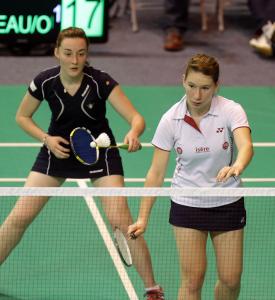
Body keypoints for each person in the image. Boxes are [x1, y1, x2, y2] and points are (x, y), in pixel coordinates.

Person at [0, 27, 164, 300]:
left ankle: (152, 289)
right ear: (56, 53)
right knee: (18, 217)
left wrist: (134, 132)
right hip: (58, 152)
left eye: (80, 53)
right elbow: (22, 117)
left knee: (122, 222)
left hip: (99, 154)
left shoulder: (100, 81)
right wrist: (46, 139)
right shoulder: (45, 81)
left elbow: (137, 118)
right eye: (68, 53)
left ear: (87, 54)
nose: (75, 60)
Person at [128, 54, 253, 300]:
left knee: (231, 279)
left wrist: (238, 164)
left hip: (226, 202)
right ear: (183, 80)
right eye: (192, 86)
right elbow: (155, 172)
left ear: (217, 86)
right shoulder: (170, 119)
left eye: (205, 88)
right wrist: (143, 217)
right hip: (187, 203)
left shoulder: (231, 110)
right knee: (193, 279)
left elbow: (246, 145)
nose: (197, 95)